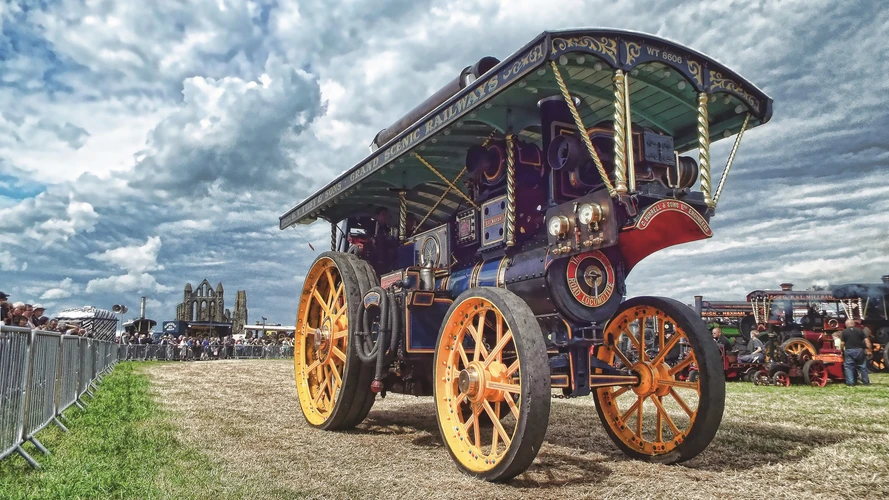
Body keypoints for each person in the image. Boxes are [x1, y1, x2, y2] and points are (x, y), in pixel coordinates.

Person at [840, 319, 871, 386]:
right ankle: (866, 382)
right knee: (862, 367)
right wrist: (869, 350)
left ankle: (851, 383)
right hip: (859, 350)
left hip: (849, 350)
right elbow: (867, 341)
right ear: (854, 324)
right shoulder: (860, 331)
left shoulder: (844, 332)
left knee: (849, 367)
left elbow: (842, 343)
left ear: (846, 325)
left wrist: (841, 350)